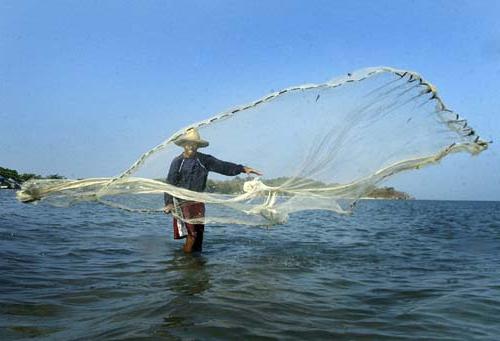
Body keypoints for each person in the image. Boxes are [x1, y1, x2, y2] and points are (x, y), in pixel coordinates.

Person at [163, 128, 261, 253]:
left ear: (198, 146)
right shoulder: (177, 162)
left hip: (198, 202)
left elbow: (223, 166)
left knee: (198, 236)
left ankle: (197, 264)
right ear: (183, 145)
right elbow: (170, 183)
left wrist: (242, 168)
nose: (191, 147)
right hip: (181, 203)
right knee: (191, 235)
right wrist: (168, 202)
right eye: (189, 144)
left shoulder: (204, 160)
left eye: (194, 144)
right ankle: (185, 265)